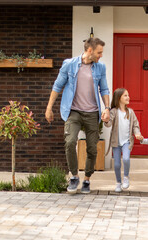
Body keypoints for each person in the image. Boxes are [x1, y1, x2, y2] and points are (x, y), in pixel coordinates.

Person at [45, 37, 110, 194]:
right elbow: (57, 86)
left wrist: (107, 108)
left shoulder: (100, 68)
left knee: (92, 149)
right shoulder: (70, 65)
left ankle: (87, 179)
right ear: (89, 50)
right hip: (73, 111)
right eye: (99, 52)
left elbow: (105, 89)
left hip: (92, 112)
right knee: (70, 142)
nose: (101, 55)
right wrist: (49, 108)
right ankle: (74, 176)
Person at [104, 88, 143, 193]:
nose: (128, 97)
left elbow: (135, 125)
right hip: (116, 142)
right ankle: (118, 182)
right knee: (117, 164)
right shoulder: (113, 112)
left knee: (126, 159)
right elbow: (108, 124)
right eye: (125, 95)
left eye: (128, 95)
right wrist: (106, 120)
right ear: (119, 98)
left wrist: (137, 133)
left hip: (127, 141)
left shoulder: (130, 112)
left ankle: (126, 176)